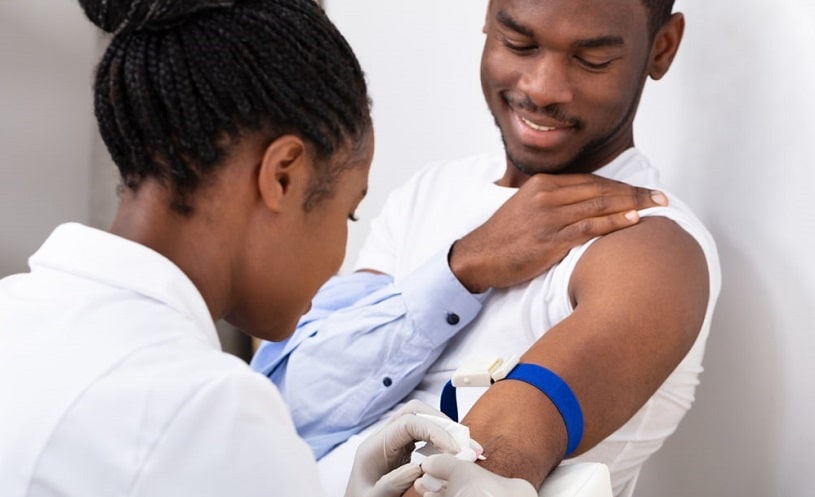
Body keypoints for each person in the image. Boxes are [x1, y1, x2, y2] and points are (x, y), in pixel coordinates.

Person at [0, 1, 495, 496]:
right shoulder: (209, 410)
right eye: (348, 213)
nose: (341, 257)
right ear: (283, 176)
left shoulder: (15, 313)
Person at [250, 0, 721, 496]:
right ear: (489, 16)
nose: (542, 88)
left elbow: (485, 465)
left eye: (591, 60)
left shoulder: (650, 246)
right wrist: (464, 265)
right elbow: (286, 404)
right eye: (520, 43)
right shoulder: (428, 193)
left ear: (661, 48)